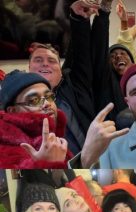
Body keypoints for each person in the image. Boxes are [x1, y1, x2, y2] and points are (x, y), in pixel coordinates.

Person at [28, 0, 101, 154]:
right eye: (38, 60)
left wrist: (78, 18)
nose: (45, 64)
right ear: (28, 69)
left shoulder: (74, 87)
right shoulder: (17, 99)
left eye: (52, 60)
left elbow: (80, 54)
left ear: (61, 70)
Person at [0, 70, 72, 168]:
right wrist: (49, 163)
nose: (47, 103)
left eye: (49, 96)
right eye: (34, 100)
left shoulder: (57, 134)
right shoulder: (5, 148)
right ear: (12, 111)